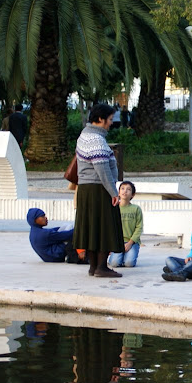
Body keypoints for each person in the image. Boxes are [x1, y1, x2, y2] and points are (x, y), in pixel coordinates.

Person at [74, 103, 125, 278]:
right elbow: (102, 169)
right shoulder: (96, 139)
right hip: (98, 189)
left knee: (92, 227)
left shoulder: (85, 135)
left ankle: (94, 266)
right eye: (110, 119)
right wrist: (113, 192)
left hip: (87, 189)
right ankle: (101, 267)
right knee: (104, 227)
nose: (111, 123)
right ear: (101, 119)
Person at [108, 181, 143, 268]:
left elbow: (139, 227)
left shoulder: (136, 209)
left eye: (128, 189)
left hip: (132, 242)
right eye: (122, 189)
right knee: (114, 263)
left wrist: (130, 242)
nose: (125, 191)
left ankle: (128, 255)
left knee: (129, 263)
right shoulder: (113, 208)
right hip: (117, 242)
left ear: (132, 195)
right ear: (118, 192)